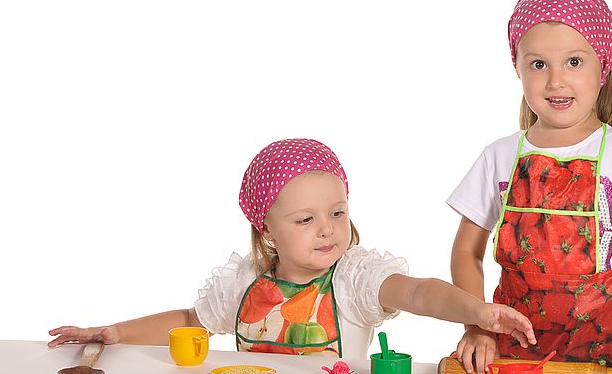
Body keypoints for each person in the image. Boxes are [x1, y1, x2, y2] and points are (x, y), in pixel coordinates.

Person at [49, 138, 535, 361]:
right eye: (306, 220)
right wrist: (112, 332)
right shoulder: (242, 285)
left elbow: (420, 293)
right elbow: (187, 323)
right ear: (267, 231)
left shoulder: (354, 279)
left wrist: (478, 312)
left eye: (338, 213)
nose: (328, 231)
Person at [447, 0, 612, 374]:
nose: (556, 80)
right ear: (517, 67)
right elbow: (466, 251)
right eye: (538, 65)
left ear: (603, 67)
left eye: (574, 61)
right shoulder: (498, 156)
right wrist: (478, 326)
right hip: (515, 352)